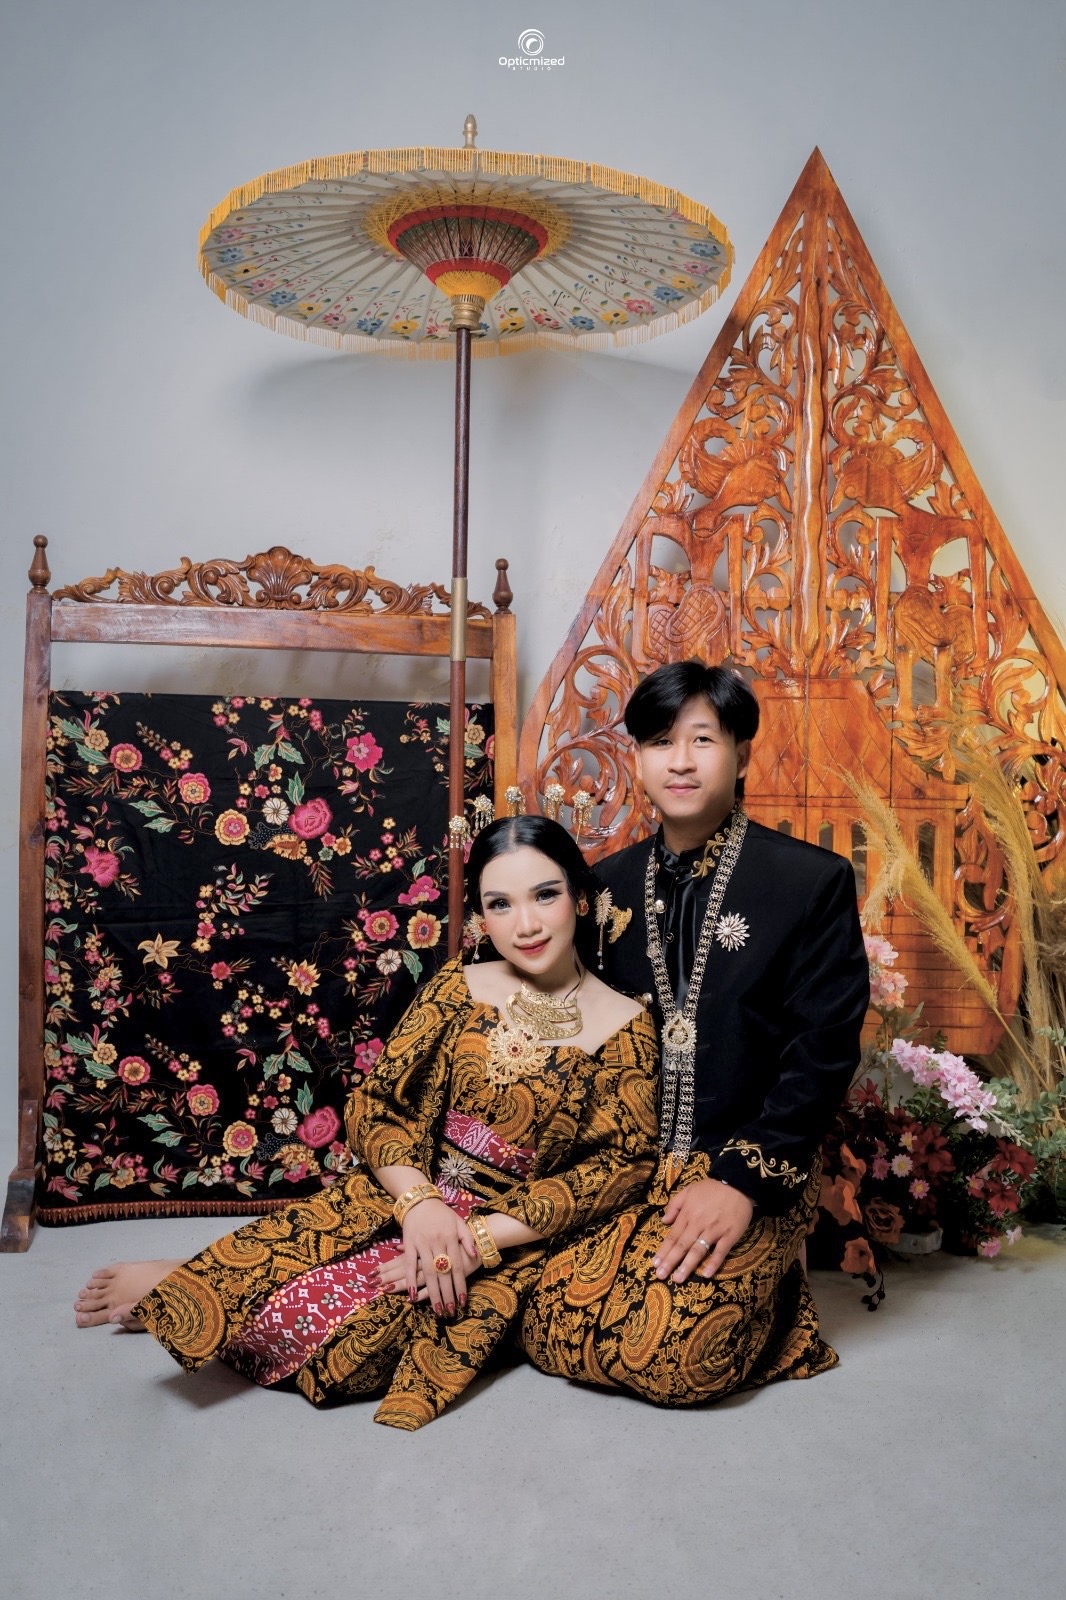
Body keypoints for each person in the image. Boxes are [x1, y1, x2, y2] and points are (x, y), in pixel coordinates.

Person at [74, 817, 659, 1431]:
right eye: (500, 904)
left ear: (581, 897)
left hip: (508, 1232)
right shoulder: (460, 986)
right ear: (482, 917)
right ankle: (196, 1281)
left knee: (350, 1357)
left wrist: (473, 1242)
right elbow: (378, 1105)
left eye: (544, 895)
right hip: (408, 1194)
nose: (527, 924)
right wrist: (421, 1206)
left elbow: (617, 1172)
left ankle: (203, 1281)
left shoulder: (625, 1027)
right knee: (292, 1282)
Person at [520, 660, 870, 1404]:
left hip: (750, 1169)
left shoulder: (809, 882)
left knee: (674, 1359)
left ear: (741, 755)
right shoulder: (605, 887)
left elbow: (825, 1048)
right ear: (637, 759)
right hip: (626, 1170)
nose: (679, 761)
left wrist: (741, 1183)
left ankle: (775, 1300)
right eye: (659, 742)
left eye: (702, 739)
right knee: (540, 1317)